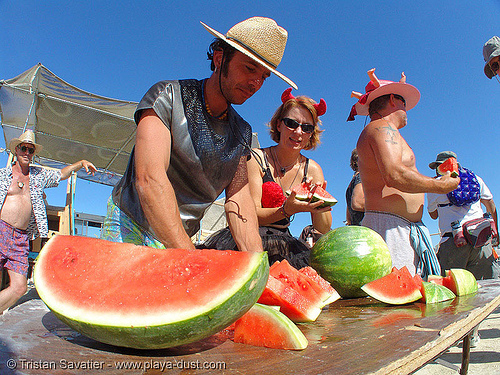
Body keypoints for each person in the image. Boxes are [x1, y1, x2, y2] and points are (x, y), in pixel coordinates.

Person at [101, 17, 296, 253]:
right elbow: (149, 180)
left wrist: (256, 265)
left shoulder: (241, 132)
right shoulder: (167, 97)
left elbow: (239, 201)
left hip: (183, 240)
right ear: (219, 58)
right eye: (249, 68)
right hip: (131, 226)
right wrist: (192, 259)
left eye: (264, 77)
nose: (255, 82)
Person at [201, 88, 332, 268]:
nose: (299, 131)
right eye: (291, 123)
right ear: (279, 125)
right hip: (246, 238)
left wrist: (320, 204)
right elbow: (251, 214)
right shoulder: (256, 158)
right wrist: (287, 210)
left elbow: (323, 229)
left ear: (311, 133)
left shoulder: (313, 170)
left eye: (307, 127)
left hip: (285, 244)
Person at [348, 68, 459, 278]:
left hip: (404, 229)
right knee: (400, 308)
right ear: (392, 99)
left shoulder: (389, 132)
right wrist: (440, 185)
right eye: (404, 103)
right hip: (390, 230)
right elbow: (394, 174)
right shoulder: (380, 127)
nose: (407, 110)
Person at [0, 130, 96, 313]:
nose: (27, 153)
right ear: (16, 150)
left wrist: (80, 163)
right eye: (24, 149)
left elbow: (61, 174)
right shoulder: (3, 175)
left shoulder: (38, 176)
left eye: (31, 150)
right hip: (1, 229)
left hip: (21, 238)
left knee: (20, 287)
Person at [427, 151, 500, 279]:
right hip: (481, 238)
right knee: (487, 288)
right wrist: (496, 232)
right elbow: (491, 205)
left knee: (455, 290)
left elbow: (433, 215)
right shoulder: (476, 178)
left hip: (453, 241)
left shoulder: (435, 184)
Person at [345, 148, 364, 226]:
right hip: (367, 230)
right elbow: (357, 203)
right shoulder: (362, 177)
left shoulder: (352, 182)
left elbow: (348, 218)